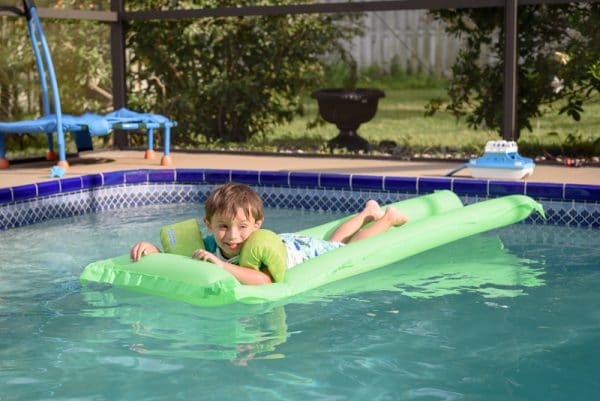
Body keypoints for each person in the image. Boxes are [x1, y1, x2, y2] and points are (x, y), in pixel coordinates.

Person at [130, 182, 408, 285]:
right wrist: (152, 250)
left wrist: (222, 265)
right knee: (333, 240)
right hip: (284, 243)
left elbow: (263, 280)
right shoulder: (210, 243)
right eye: (223, 226)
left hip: (298, 251)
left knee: (343, 248)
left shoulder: (243, 251)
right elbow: (178, 259)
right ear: (208, 224)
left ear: (257, 224)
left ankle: (386, 219)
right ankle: (366, 213)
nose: (232, 237)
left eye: (242, 227)